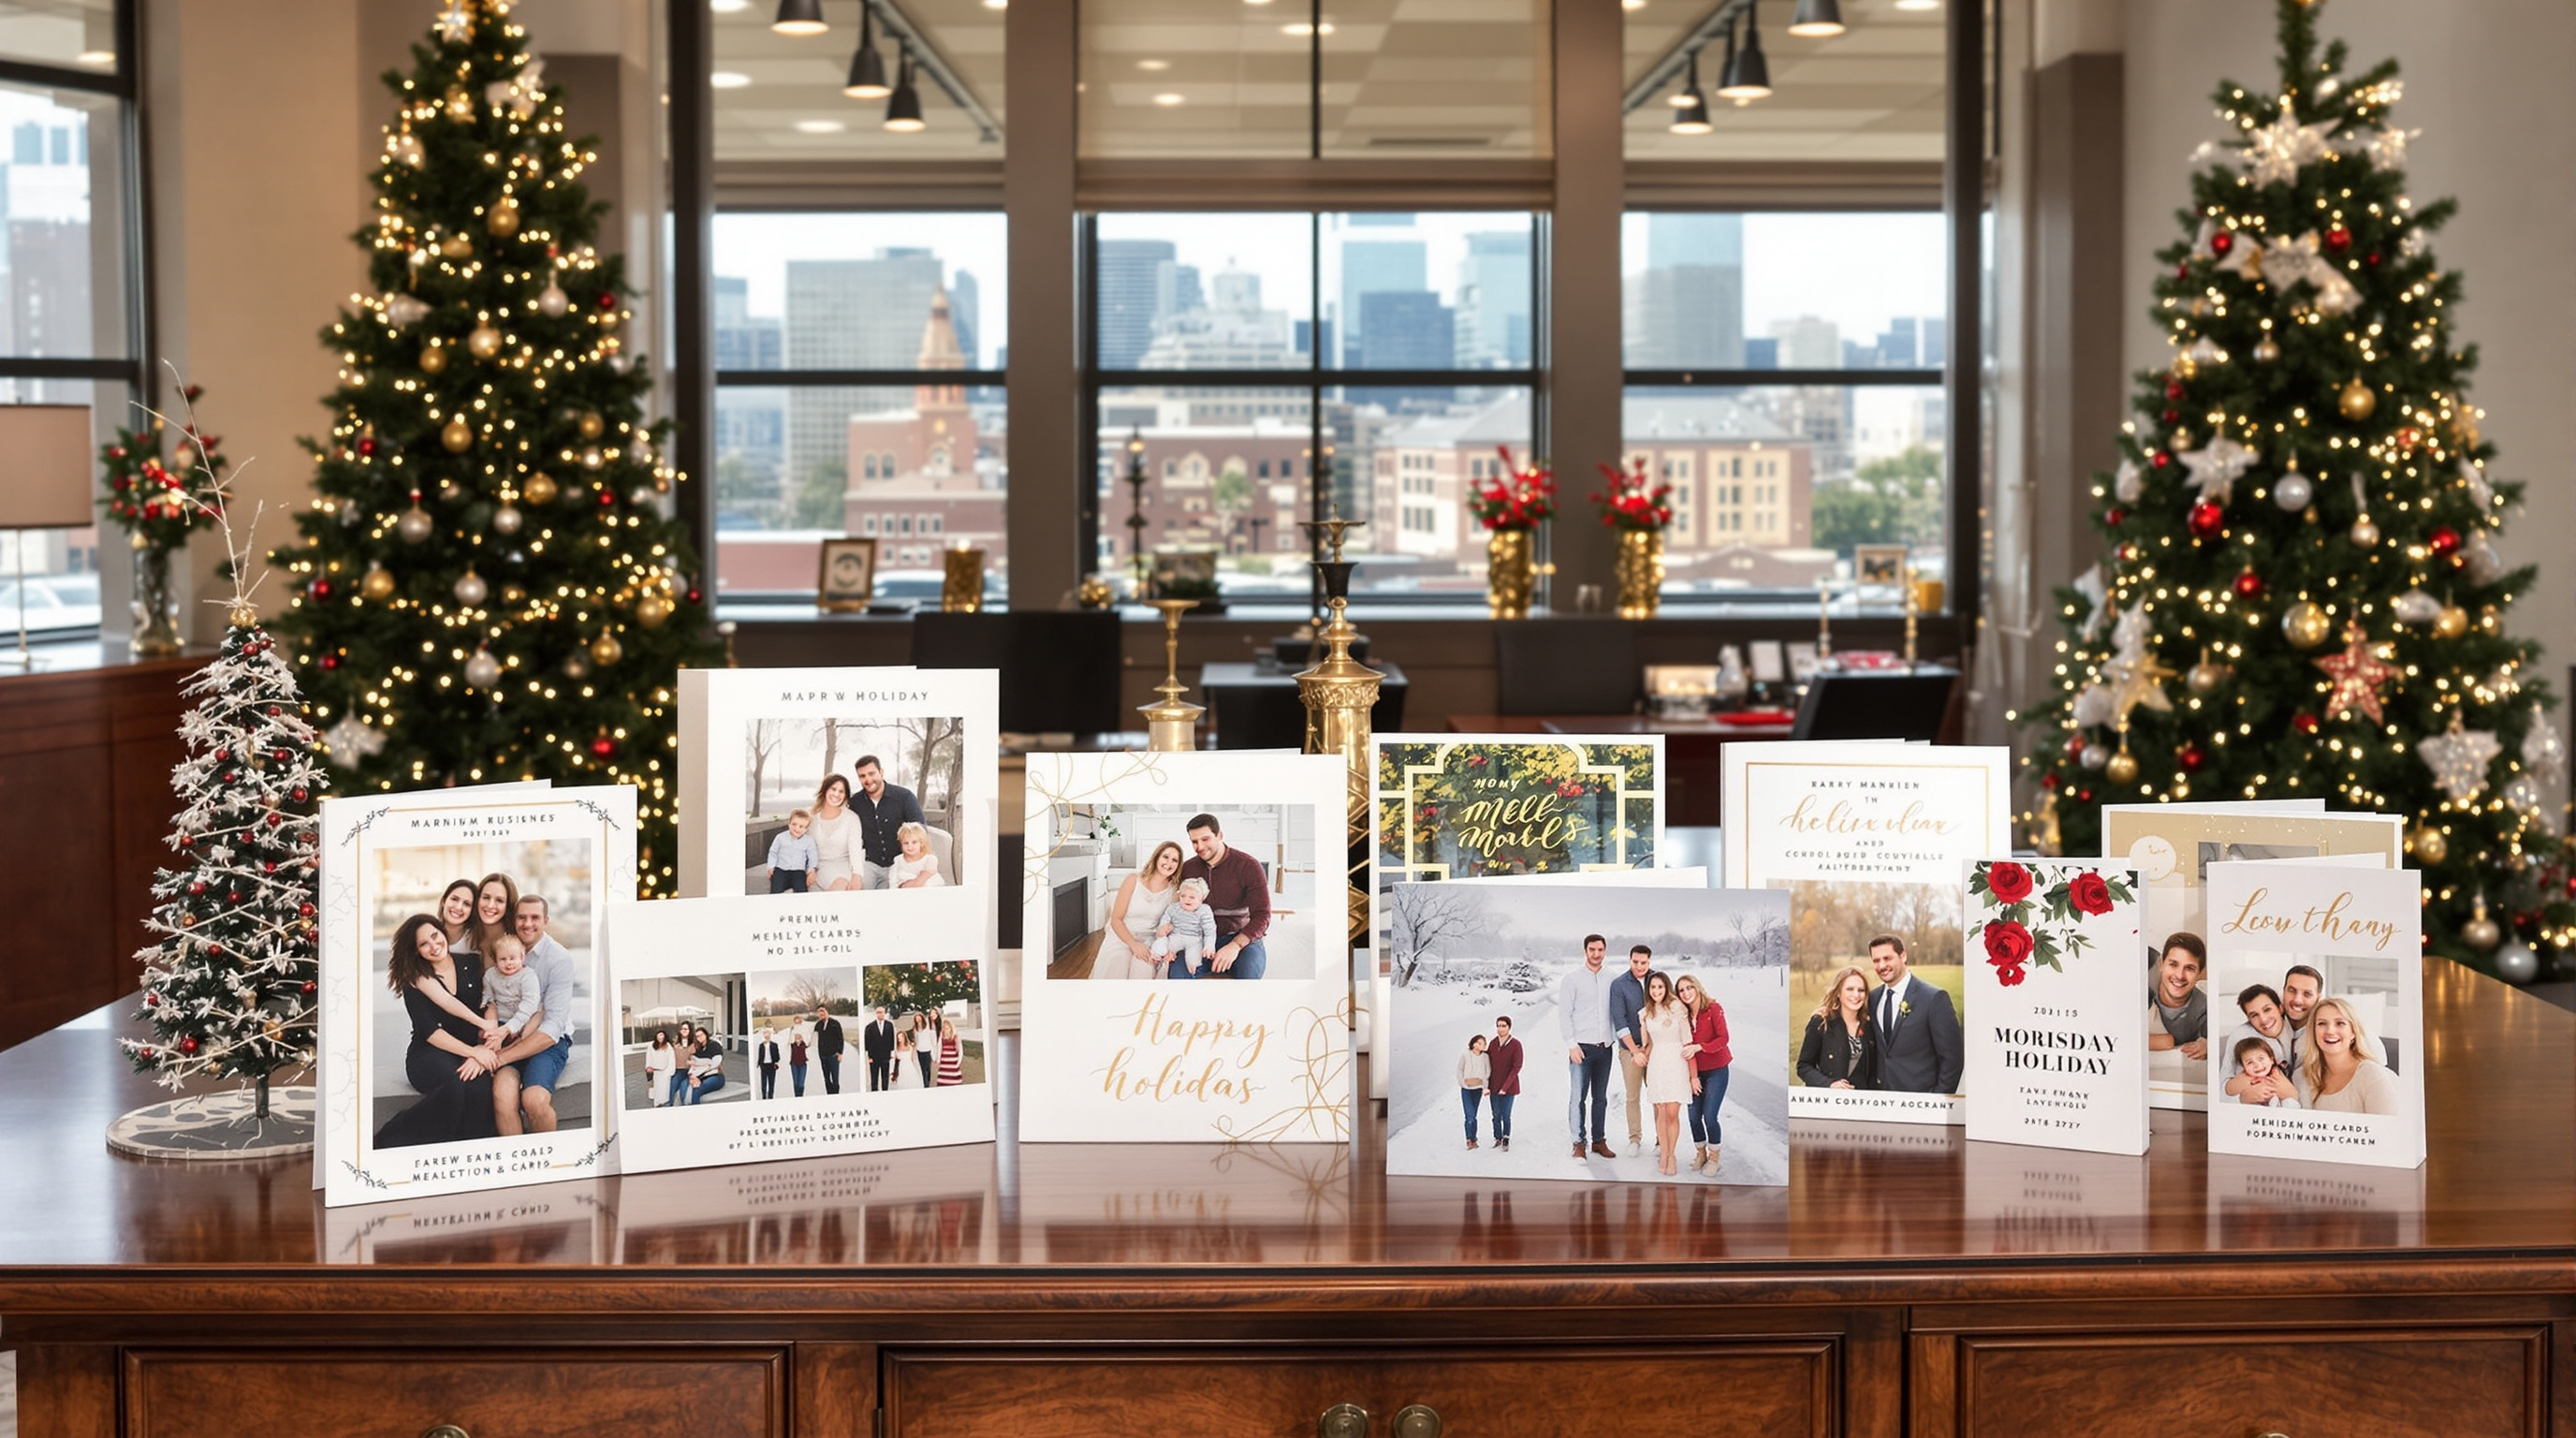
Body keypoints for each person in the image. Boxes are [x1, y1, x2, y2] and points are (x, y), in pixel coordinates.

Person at [373, 915, 501, 1149]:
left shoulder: (472, 963)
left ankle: (470, 1151)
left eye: (435, 936)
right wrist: (473, 1052)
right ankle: (389, 1138)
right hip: (429, 1053)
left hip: (471, 1050)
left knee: (481, 1090)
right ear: (417, 951)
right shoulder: (415, 979)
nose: (434, 945)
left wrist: (482, 1049)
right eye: (424, 944)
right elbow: (431, 1032)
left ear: (443, 933)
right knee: (454, 1090)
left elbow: (491, 1003)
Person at [494, 896, 581, 1137]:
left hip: (547, 1042)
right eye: (522, 917)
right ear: (514, 920)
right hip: (511, 1037)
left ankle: (550, 1158)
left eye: (535, 918)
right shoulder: (506, 951)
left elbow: (553, 1027)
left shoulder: (559, 958)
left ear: (546, 920)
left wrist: (501, 1058)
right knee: (502, 1096)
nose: (528, 924)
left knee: (534, 1100)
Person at [1178, 814, 1270, 980]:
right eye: (1194, 841)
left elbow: (1262, 915)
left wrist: (1235, 945)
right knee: (1177, 974)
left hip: (1240, 937)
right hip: (1199, 939)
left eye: (1205, 839)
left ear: (1219, 835)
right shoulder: (1188, 868)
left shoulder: (1249, 866)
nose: (1200, 846)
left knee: (1248, 975)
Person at [1869, 935, 1962, 1094]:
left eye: (1887, 958)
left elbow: (1953, 1059)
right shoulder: (1873, 999)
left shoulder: (1933, 998)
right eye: (1876, 960)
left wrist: (1936, 1100)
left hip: (1922, 1100)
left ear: (1903, 956)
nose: (1882, 966)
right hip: (1882, 1100)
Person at [1558, 933, 1617, 1160]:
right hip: (1581, 1048)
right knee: (1578, 1098)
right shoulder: (1572, 980)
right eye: (1592, 949)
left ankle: (1599, 1141)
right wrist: (1571, 1045)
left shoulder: (1612, 978)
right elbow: (1564, 1014)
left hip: (1605, 1047)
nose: (1596, 953)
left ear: (1605, 951)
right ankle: (1578, 1142)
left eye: (1600, 950)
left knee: (1600, 1098)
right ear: (1585, 951)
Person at [2297, 996, 2400, 1114]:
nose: (2330, 1031)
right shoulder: (2304, 1077)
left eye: (2340, 1023)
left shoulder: (2371, 1075)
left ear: (2353, 1032)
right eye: (2322, 1023)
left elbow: (2387, 1125)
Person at [1636, 970, 1692, 1176]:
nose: (1656, 991)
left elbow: (1687, 1040)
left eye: (1660, 987)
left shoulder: (1678, 1008)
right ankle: (1664, 1154)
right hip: (1657, 1063)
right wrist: (1638, 1055)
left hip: (1677, 1061)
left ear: (1666, 988)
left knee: (1672, 1112)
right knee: (1660, 1111)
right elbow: (1647, 1044)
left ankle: (1672, 1155)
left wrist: (1693, 1073)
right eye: (1653, 987)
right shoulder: (1645, 1013)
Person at [1676, 974, 1733, 1176]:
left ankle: (1714, 1158)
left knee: (1709, 1116)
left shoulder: (1713, 1008)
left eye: (1689, 987)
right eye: (1681, 990)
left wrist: (1700, 1047)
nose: (1686, 993)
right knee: (1693, 1117)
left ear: (1697, 987)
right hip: (1694, 1073)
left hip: (1717, 1070)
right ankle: (1701, 1154)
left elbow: (1723, 1038)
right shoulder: (1682, 1016)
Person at [1106, 841, 1183, 981]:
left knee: (1142, 970)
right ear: (1157, 857)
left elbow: (1173, 925)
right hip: (1122, 936)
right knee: (1118, 965)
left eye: (1175, 860)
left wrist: (1170, 949)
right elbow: (1116, 919)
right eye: (1166, 857)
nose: (1169, 863)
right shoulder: (1133, 880)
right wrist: (1133, 944)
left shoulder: (1174, 891)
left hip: (1150, 940)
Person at [851, 756, 927, 892]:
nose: (868, 780)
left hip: (901, 863)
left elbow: (921, 831)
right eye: (862, 776)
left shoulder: (904, 797)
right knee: (857, 894)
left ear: (881, 772)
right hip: (870, 864)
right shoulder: (856, 802)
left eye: (871, 773)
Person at [1797, 966, 1880, 1091]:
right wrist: (1829, 1084)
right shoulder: (1821, 1023)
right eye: (1850, 989)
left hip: (1861, 1100)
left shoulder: (1870, 1026)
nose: (1856, 995)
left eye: (1861, 990)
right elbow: (1804, 1066)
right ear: (1838, 993)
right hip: (1830, 1099)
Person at [1609, 945, 1653, 1150]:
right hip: (1629, 1050)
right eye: (1635, 962)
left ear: (1649, 962)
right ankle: (1634, 1138)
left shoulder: (1657, 980)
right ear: (1630, 960)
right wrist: (1636, 1052)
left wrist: (1649, 1049)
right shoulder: (1619, 985)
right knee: (1632, 1096)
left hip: (1655, 1049)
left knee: (1658, 1095)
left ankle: (1661, 1140)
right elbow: (1620, 1021)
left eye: (1643, 962)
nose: (1639, 966)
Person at [2222, 983, 2296, 1103]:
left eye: (2267, 1009)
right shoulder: (2241, 1036)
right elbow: (2222, 1087)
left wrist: (2292, 1094)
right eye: (2254, 1015)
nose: (2263, 1019)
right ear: (2249, 1019)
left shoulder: (2298, 1030)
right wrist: (2241, 1098)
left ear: (2280, 1008)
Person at [2147, 932, 2209, 1059]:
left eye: (2190, 968)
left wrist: (2208, 1045)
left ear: (2200, 973)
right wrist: (2159, 1041)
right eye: (2173, 964)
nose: (2180, 976)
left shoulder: (2203, 1010)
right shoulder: (2146, 966)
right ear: (2161, 964)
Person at [478, 934, 544, 1049]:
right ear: (495, 960)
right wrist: (492, 1027)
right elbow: (488, 998)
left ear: (522, 957)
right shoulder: (490, 975)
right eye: (503, 959)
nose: (508, 963)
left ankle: (509, 1049)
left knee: (528, 1033)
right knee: (482, 1035)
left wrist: (512, 1027)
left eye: (512, 958)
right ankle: (492, 1047)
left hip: (524, 1019)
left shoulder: (527, 976)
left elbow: (530, 1004)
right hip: (501, 1018)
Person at [1151, 878, 1221, 978]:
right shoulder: (1173, 908)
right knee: (1160, 946)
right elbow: (1165, 920)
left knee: (1193, 962)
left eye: (1192, 897)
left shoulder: (1204, 910)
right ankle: (1159, 961)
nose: (1186, 900)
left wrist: (1209, 946)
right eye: (1183, 896)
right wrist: (1163, 928)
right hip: (1175, 936)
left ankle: (1193, 971)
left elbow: (1210, 931)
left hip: (1194, 940)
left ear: (1201, 899)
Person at [807, 775, 862, 891]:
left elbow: (855, 849)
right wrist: (810, 870)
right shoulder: (812, 819)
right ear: (825, 789)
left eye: (841, 791)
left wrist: (857, 875)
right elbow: (807, 849)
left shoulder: (851, 818)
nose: (836, 794)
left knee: (841, 888)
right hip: (818, 869)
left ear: (845, 795)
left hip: (843, 868)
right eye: (833, 789)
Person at [1486, 1016, 1523, 1152]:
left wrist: (1505, 1087)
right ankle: (1497, 1137)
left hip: (1509, 1087)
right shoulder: (1493, 1043)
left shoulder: (1516, 1044)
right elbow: (1486, 1061)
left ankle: (1506, 1137)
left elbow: (1517, 1067)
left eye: (1503, 1026)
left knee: (1505, 1114)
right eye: (1498, 1026)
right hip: (1494, 1085)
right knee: (1496, 1114)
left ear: (1509, 1027)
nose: (1500, 1029)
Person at [2229, 1035, 2300, 1108]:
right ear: (2244, 1067)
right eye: (2249, 1062)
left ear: (2271, 1060)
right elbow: (2230, 1092)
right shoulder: (2245, 1079)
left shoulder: (2277, 1073)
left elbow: (2290, 1093)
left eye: (2261, 1059)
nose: (2257, 1065)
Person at [468, 872, 520, 960]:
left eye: (499, 900)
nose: (490, 905)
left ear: (508, 906)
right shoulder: (465, 937)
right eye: (486, 897)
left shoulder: (517, 945)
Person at [2279, 963, 2323, 1065]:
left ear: (2318, 999)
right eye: (2291, 991)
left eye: (2307, 994)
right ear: (2283, 992)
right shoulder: (2265, 1026)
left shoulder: (2324, 1036)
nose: (2297, 1000)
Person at [767, 809, 818, 894]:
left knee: (801, 889)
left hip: (798, 871)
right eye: (794, 824)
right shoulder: (780, 837)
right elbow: (773, 853)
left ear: (806, 829)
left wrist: (811, 870)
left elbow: (812, 856)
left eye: (801, 826)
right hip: (781, 869)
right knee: (776, 888)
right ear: (789, 824)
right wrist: (771, 867)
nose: (797, 828)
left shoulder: (809, 841)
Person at [1456, 1034, 1491, 1149]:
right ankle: (1469, 1139)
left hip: (1478, 1089)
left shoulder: (1485, 1057)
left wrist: (1483, 1084)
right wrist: (1462, 1083)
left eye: (1483, 1044)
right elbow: (1459, 1069)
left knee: (1474, 1115)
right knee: (1469, 1115)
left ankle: (1473, 1139)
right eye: (1479, 1043)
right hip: (1466, 1089)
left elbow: (1488, 1071)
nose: (1480, 1045)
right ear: (1473, 1043)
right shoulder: (1465, 1054)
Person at [889, 822, 946, 889]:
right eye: (906, 843)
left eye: (914, 842)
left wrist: (906, 885)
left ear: (921, 843)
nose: (910, 846)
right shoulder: (897, 860)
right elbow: (893, 885)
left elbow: (927, 883)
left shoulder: (930, 859)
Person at [681, 1023, 727, 1104]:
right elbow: (691, 1064)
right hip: (700, 1076)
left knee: (697, 1088)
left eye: (701, 1035)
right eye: (697, 1036)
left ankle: (697, 1110)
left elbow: (715, 1063)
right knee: (683, 1084)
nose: (700, 1037)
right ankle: (684, 1106)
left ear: (706, 1034)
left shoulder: (714, 1045)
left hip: (715, 1076)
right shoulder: (698, 1049)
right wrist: (692, 1077)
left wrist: (699, 1064)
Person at [434, 879, 480, 954]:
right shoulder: (427, 933)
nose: (458, 907)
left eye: (467, 904)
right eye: (454, 899)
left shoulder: (477, 943)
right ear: (443, 901)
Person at [863, 1005, 899, 1092]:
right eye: (878, 1012)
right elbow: (867, 1043)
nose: (880, 1014)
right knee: (874, 1078)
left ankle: (884, 1093)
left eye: (882, 1012)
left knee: (885, 1078)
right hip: (874, 1057)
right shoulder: (870, 1027)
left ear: (884, 1013)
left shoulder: (889, 1025)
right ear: (876, 1014)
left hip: (885, 1056)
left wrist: (891, 1054)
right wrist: (869, 1057)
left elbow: (891, 1040)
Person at [812, 1004, 846, 1094]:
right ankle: (829, 1096)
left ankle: (836, 1096)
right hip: (823, 1056)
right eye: (819, 1012)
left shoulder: (835, 1023)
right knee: (826, 1079)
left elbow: (840, 1039)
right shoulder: (818, 1025)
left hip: (833, 1056)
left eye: (822, 1011)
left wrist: (840, 1053)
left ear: (827, 1011)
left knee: (835, 1079)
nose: (821, 1013)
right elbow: (812, 1037)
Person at [642, 1028, 675, 1108]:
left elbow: (671, 1059)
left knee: (664, 1091)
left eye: (662, 1035)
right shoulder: (651, 1045)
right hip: (655, 1071)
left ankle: (664, 1104)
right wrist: (648, 1067)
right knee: (655, 1091)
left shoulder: (668, 1046)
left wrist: (670, 1071)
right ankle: (656, 1105)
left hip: (665, 1071)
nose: (660, 1037)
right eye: (659, 1035)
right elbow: (649, 1057)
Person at [936, 1016, 965, 1086]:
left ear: (951, 1028)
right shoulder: (942, 1038)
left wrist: (958, 1062)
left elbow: (960, 1050)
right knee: (943, 1080)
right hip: (944, 1062)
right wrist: (938, 1060)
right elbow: (939, 1047)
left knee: (954, 1080)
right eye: (944, 1028)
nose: (945, 1030)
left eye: (947, 1028)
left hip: (953, 1062)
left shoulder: (955, 1037)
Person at [912, 1011, 937, 1086]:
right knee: (922, 1069)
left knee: (928, 1069)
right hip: (920, 1050)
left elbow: (933, 1033)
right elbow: (916, 1040)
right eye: (917, 1019)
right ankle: (925, 1084)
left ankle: (927, 1083)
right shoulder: (915, 1029)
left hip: (927, 1050)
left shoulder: (927, 1026)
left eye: (919, 1018)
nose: (918, 1020)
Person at [755, 1026, 781, 1100]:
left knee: (771, 1082)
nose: (766, 1036)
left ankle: (770, 1096)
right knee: (763, 1082)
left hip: (771, 1065)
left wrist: (776, 1062)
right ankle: (764, 1096)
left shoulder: (774, 1045)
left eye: (768, 1034)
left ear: (770, 1035)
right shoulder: (761, 1045)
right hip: (764, 1065)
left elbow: (777, 1056)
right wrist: (759, 1063)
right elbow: (760, 1055)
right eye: (765, 1034)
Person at [788, 1026, 811, 1098]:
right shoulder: (792, 1045)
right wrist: (791, 1031)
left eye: (799, 1037)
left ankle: (801, 1096)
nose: (797, 1038)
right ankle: (796, 1097)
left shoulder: (804, 1045)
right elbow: (789, 1040)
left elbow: (809, 1040)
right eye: (796, 1037)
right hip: (794, 1065)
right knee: (796, 1083)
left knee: (801, 1083)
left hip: (803, 1065)